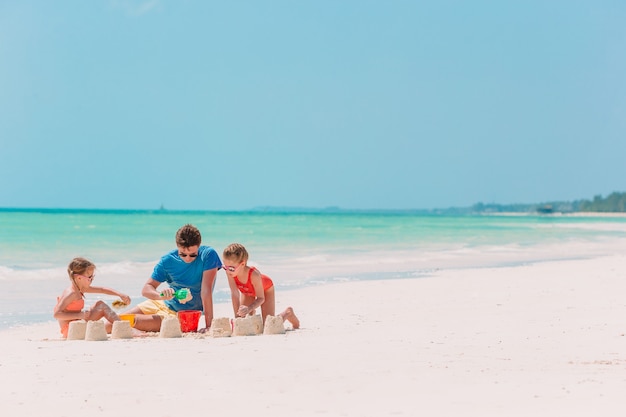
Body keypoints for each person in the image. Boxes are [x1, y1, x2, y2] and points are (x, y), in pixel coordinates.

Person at [123, 224, 222, 332]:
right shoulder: (168, 261)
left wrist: (209, 326)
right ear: (177, 246)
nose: (188, 258)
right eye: (183, 254)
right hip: (160, 303)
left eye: (193, 255)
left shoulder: (208, 255)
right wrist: (161, 296)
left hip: (179, 315)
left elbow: (206, 291)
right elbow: (146, 288)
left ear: (199, 246)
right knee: (115, 322)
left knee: (134, 321)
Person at [222, 243, 299, 329]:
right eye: (225, 267)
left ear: (243, 264)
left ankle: (288, 313)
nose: (228, 271)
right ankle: (252, 313)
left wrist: (249, 308)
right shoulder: (230, 272)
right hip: (247, 291)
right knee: (241, 320)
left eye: (231, 268)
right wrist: (237, 318)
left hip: (266, 289)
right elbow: (234, 294)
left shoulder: (254, 275)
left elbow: (261, 298)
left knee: (269, 326)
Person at [53, 257, 131, 338]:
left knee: (102, 309)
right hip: (71, 330)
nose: (92, 280)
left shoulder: (80, 289)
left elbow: (102, 290)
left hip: (77, 325)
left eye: (93, 277)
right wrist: (79, 315)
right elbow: (57, 314)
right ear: (79, 278)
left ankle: (122, 327)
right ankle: (126, 330)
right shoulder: (71, 293)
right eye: (89, 277)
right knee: (101, 306)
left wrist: (120, 294)